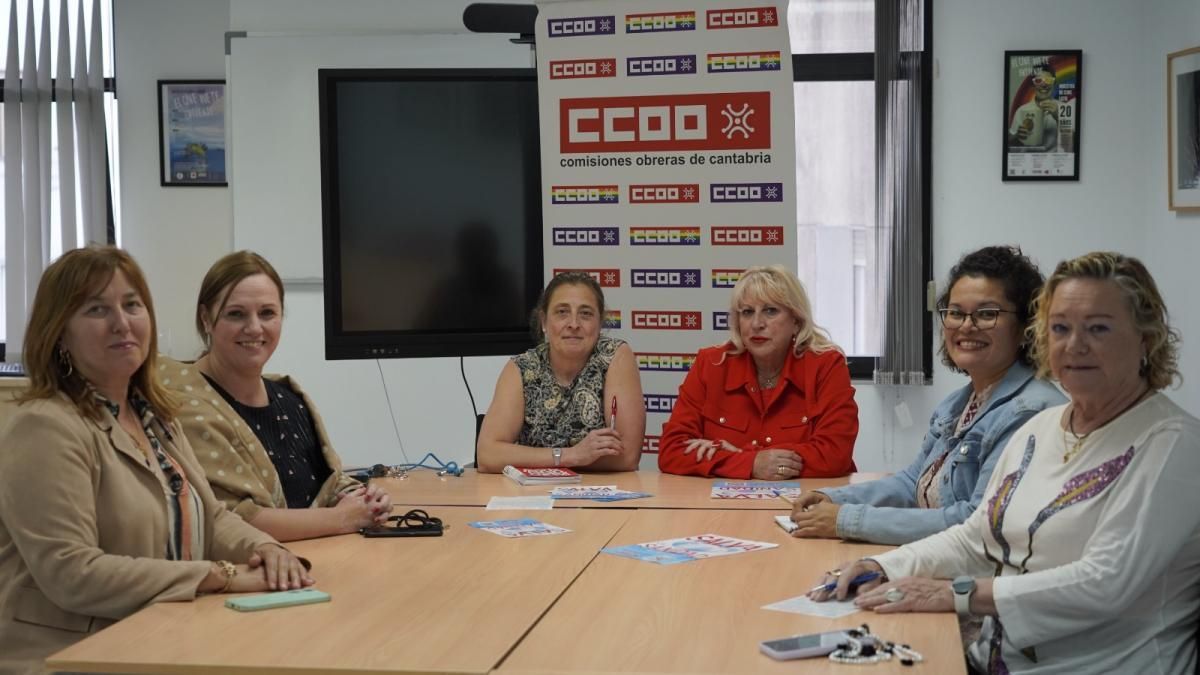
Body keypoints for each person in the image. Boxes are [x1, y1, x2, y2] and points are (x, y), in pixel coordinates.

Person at [811, 252, 1200, 674]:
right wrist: (883, 566)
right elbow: (975, 536)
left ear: (1146, 339)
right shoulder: (1043, 428)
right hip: (992, 660)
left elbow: (1105, 583)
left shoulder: (1172, 444)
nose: (1075, 345)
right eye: (1061, 328)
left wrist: (956, 594)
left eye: (1099, 328)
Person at [0, 247, 313, 673]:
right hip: (72, 657)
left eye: (132, 305)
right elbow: (72, 573)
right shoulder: (45, 427)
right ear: (59, 333)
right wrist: (220, 575)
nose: (122, 323)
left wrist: (265, 548)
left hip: (158, 636)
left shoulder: (155, 417)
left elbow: (211, 515)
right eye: (97, 309)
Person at [790, 247, 1064, 544]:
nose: (966, 326)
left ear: (1026, 326)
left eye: (987, 314)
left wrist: (847, 520)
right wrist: (831, 498)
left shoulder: (1030, 412)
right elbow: (912, 483)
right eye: (956, 313)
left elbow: (975, 522)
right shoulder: (959, 403)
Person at [160, 251, 391, 542]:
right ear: (206, 319)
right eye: (236, 314)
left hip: (322, 564)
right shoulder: (183, 408)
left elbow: (328, 485)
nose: (255, 328)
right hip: (256, 577)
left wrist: (366, 500)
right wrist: (342, 518)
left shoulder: (289, 399)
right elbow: (232, 521)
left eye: (267, 313)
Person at [657, 265, 858, 479]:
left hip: (805, 505)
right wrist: (751, 463)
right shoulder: (711, 364)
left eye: (771, 311)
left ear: (796, 322)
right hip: (724, 507)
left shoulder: (826, 366)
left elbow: (834, 455)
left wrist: (745, 458)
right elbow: (672, 451)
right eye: (747, 312)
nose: (756, 324)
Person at [477, 271, 645, 472]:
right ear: (544, 322)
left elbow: (627, 457)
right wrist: (570, 456)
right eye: (562, 312)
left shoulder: (614, 356)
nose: (574, 324)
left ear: (600, 324)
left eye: (586, 314)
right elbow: (487, 455)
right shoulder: (522, 367)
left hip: (599, 494)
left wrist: (536, 458)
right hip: (533, 496)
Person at [1007, 68, 1059, 152]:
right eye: (1038, 80)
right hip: (1028, 161)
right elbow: (1009, 142)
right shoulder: (1022, 110)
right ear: (1033, 85)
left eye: (1048, 80)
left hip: (1054, 162)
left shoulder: (1064, 108)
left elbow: (1073, 142)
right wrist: (1017, 136)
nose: (1044, 84)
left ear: (1054, 83)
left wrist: (1058, 117)